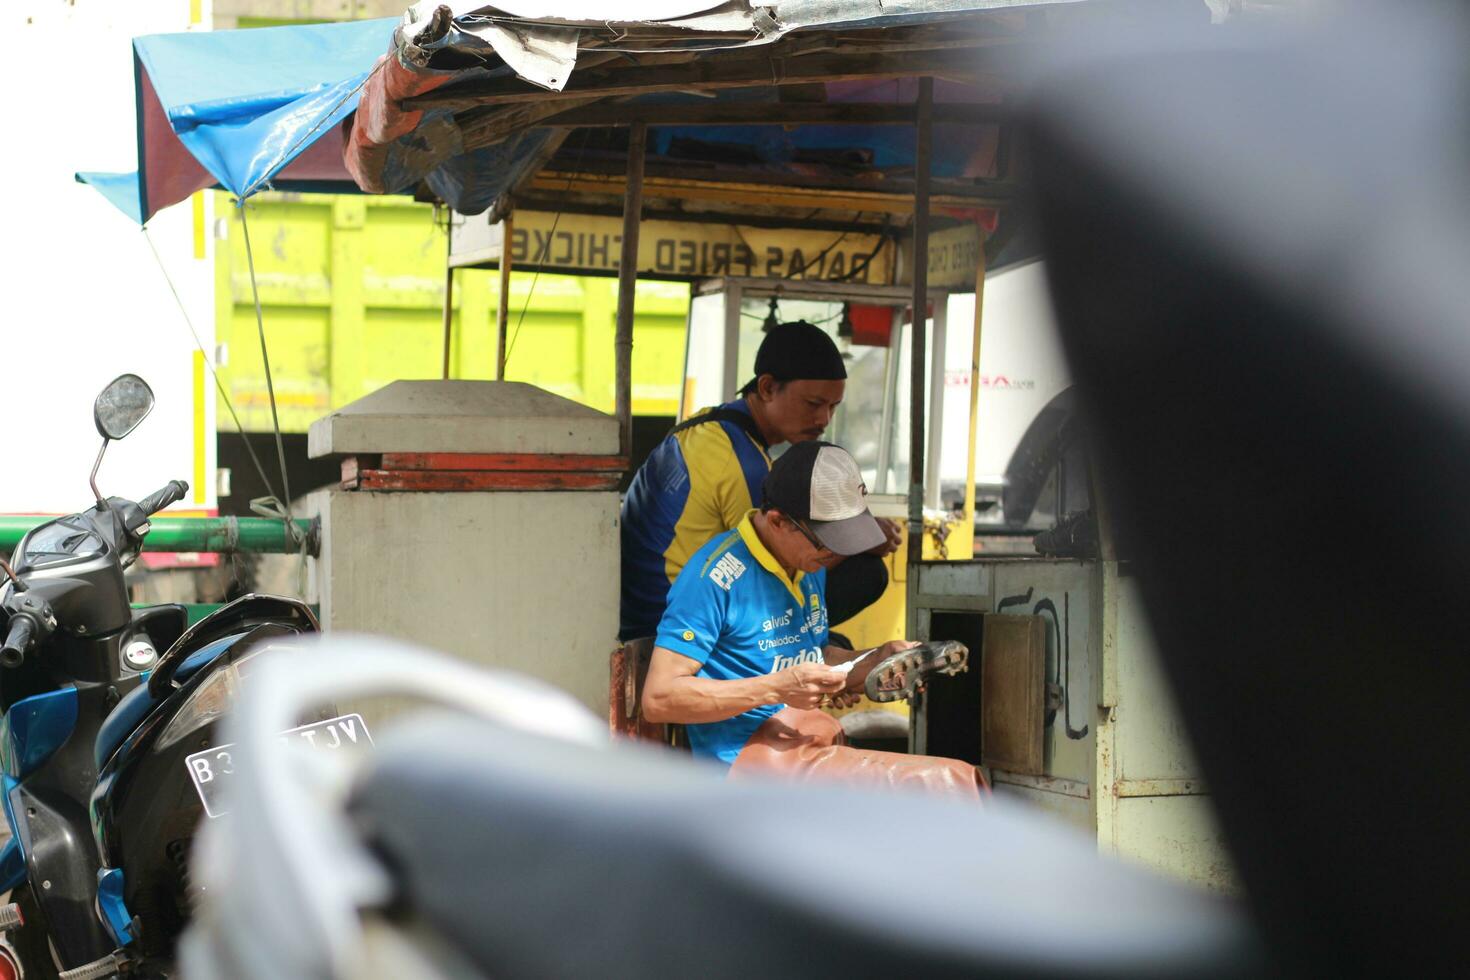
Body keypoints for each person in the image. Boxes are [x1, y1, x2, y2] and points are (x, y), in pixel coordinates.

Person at [640, 441, 985, 799]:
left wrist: (873, 659)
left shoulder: (806, 563)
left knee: (951, 779)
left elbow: (810, 656)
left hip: (809, 743)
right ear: (777, 521)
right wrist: (776, 688)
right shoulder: (714, 578)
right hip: (747, 766)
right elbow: (659, 698)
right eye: (826, 543)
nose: (835, 555)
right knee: (951, 784)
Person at [620, 321, 900, 642]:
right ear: (766, 388)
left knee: (834, 639)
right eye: (813, 404)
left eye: (833, 407)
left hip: (641, 610)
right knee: (866, 574)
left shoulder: (710, 427)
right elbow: (776, 563)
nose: (823, 420)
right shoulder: (741, 464)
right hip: (668, 623)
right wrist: (862, 540)